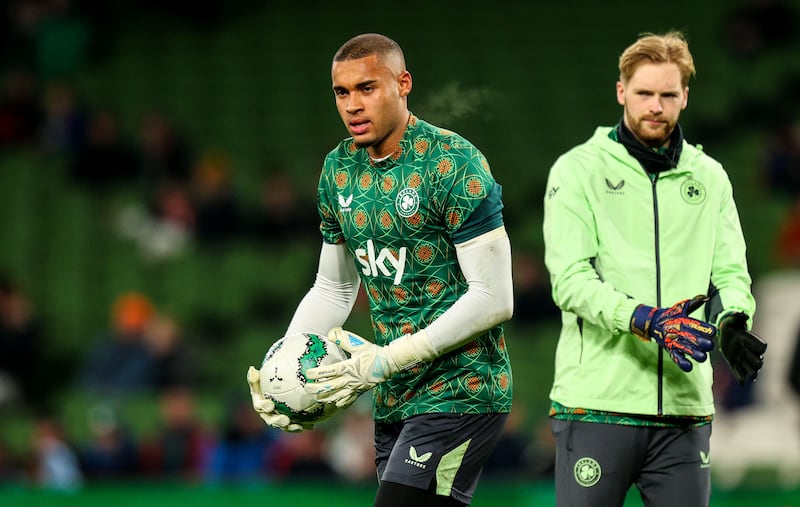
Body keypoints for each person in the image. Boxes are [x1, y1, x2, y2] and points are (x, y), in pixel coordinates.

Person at [247, 33, 513, 507]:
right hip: (393, 395)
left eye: (366, 88)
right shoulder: (338, 169)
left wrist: (390, 359)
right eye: (341, 92)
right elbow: (333, 288)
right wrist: (285, 367)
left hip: (462, 388)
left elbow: (494, 298)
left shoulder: (454, 164)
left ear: (403, 84)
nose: (352, 104)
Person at [542, 31, 768, 507]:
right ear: (621, 91)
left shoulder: (710, 177)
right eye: (644, 93)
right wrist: (647, 319)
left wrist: (732, 320)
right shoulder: (577, 170)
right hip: (597, 405)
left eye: (668, 94)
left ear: (685, 96)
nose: (656, 106)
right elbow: (571, 281)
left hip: (684, 411)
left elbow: (730, 273)